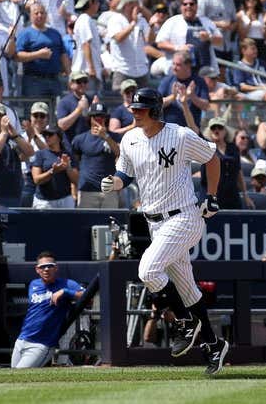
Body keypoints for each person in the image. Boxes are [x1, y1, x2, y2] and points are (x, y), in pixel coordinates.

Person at [100, 87, 229, 375]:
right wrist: (115, 183)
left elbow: (212, 156)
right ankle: (213, 344)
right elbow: (124, 174)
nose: (135, 112)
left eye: (141, 108)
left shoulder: (179, 134)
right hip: (155, 222)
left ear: (156, 110)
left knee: (147, 271)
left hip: (184, 216)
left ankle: (185, 322)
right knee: (187, 289)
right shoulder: (130, 138)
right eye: (133, 108)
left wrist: (211, 194)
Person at [11, 251, 85, 368]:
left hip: (42, 344)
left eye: (50, 266)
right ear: (37, 269)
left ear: (56, 268)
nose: (46, 269)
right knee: (12, 376)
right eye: (42, 267)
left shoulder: (66, 284)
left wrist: (65, 292)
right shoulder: (34, 284)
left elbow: (87, 296)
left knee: (20, 374)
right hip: (22, 339)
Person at [153, 0, 222, 76]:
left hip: (204, 71)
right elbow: (160, 43)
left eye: (191, 4)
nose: (188, 6)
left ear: (197, 6)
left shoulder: (206, 22)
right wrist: (178, 48)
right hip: (180, 72)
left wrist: (209, 37)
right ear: (181, 7)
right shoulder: (172, 22)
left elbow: (220, 41)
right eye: (185, 4)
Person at [72, 103, 121, 208]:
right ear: (90, 118)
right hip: (87, 190)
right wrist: (74, 187)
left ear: (106, 118)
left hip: (109, 190)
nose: (98, 119)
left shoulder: (114, 137)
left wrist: (106, 136)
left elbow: (119, 153)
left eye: (101, 117)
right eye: (95, 117)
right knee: (86, 223)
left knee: (110, 222)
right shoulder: (80, 139)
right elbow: (75, 163)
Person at [15, 3, 70, 98]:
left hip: (55, 80)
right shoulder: (25, 33)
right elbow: (17, 56)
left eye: (42, 13)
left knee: (54, 111)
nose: (40, 15)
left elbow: (63, 55)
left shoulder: (55, 33)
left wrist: (70, 76)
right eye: (36, 13)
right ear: (31, 16)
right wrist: (38, 55)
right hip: (33, 81)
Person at [201, 117, 253, 209]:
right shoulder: (206, 148)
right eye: (213, 128)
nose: (216, 130)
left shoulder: (233, 148)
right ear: (209, 131)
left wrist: (245, 195)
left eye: (220, 128)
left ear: (225, 131)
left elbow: (239, 172)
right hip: (213, 195)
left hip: (232, 194)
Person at [107, 0, 151, 91]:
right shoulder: (115, 19)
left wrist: (151, 25)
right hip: (123, 70)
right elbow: (119, 38)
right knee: (122, 103)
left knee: (144, 103)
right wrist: (133, 23)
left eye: (136, 4)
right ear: (125, 5)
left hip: (141, 70)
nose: (136, 7)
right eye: (132, 4)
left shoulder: (141, 20)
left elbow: (149, 40)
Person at [158, 50, 210, 129]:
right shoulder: (167, 80)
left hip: (191, 130)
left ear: (188, 65)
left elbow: (206, 106)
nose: (174, 67)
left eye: (178, 65)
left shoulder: (198, 82)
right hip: (169, 130)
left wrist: (192, 96)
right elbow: (156, 104)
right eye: (173, 64)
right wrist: (173, 97)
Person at [31, 125, 79, 209]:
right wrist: (52, 171)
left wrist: (68, 167)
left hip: (65, 200)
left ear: (59, 137)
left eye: (50, 134)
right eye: (45, 135)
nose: (47, 137)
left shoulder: (68, 155)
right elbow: (36, 180)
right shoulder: (40, 154)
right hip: (44, 202)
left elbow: (76, 180)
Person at [72, 0, 103, 95]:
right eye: (97, 2)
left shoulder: (86, 19)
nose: (98, 5)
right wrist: (91, 68)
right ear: (90, 3)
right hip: (85, 72)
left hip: (86, 71)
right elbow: (86, 44)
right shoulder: (85, 20)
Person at [56, 71, 93, 142]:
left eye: (85, 81)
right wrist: (79, 110)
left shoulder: (92, 100)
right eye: (79, 81)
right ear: (70, 84)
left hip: (87, 145)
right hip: (70, 145)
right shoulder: (65, 102)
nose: (82, 84)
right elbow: (62, 125)